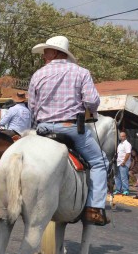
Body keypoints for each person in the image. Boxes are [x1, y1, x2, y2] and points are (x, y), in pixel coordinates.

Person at [27, 36, 109, 226]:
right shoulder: (81, 73)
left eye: (46, 51)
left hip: (43, 129)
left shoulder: (38, 75)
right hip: (70, 128)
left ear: (55, 52)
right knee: (100, 162)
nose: (43, 56)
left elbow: (32, 106)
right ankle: (95, 208)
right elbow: (92, 101)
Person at [115, 132, 132, 196]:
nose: (121, 137)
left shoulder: (127, 144)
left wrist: (124, 161)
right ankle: (118, 190)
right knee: (117, 177)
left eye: (123, 136)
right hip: (118, 162)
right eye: (120, 136)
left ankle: (125, 190)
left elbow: (128, 153)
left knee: (124, 177)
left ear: (125, 136)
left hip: (124, 163)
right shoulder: (120, 144)